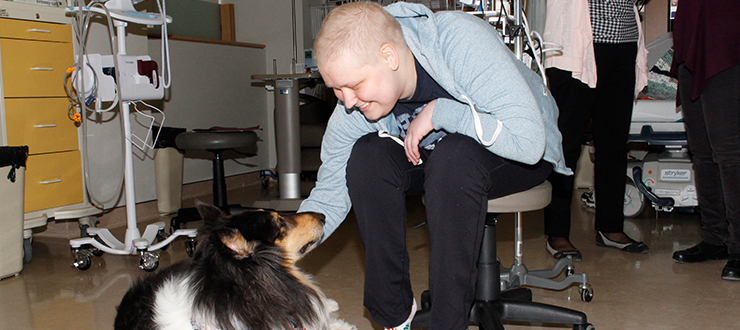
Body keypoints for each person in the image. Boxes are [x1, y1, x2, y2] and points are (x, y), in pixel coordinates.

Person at [296, 2, 570, 329]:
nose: (348, 101)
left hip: (518, 148)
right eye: (337, 90)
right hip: (442, 158)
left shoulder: (457, 42)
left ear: (389, 57)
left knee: (453, 157)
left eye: (354, 85)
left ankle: (447, 323)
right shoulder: (354, 106)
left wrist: (442, 112)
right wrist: (274, 252)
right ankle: (395, 317)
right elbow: (329, 193)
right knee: (367, 158)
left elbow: (527, 142)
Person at [541, 0, 649, 260]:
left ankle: (610, 227)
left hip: (623, 42)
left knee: (613, 143)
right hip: (575, 45)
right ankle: (557, 232)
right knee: (566, 143)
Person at [669, 0, 740, 281]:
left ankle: (737, 247)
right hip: (692, 36)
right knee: (702, 152)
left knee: (729, 152)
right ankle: (715, 239)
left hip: (725, 38)